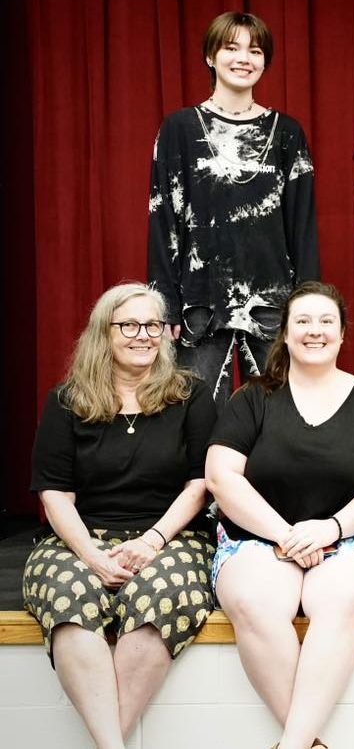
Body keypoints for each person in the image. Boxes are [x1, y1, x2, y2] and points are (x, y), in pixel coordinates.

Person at [206, 282, 354, 749]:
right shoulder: (253, 397)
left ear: (343, 336)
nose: (314, 331)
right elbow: (221, 477)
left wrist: (332, 528)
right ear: (284, 333)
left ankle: (293, 744)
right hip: (257, 538)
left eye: (326, 322)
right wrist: (284, 535)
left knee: (336, 599)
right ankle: (309, 744)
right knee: (256, 603)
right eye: (302, 321)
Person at [23, 283, 217, 749]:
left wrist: (152, 542)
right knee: (70, 599)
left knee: (160, 598)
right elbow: (54, 496)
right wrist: (91, 556)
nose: (142, 335)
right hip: (79, 537)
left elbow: (201, 484)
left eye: (152, 325)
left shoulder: (189, 395)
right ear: (102, 333)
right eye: (128, 325)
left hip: (173, 538)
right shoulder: (67, 401)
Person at [148, 11, 318, 408]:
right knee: (201, 418)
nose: (244, 58)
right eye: (232, 48)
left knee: (280, 417)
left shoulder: (287, 133)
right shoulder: (179, 129)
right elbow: (163, 220)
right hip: (199, 304)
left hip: (272, 305)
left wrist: (309, 305)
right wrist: (165, 304)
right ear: (211, 56)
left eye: (255, 50)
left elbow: (303, 227)